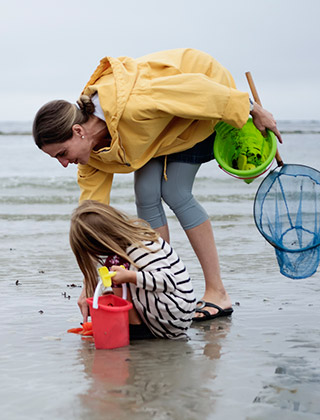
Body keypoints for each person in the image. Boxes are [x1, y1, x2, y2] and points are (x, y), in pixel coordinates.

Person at [33, 48, 282, 322]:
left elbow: (195, 89)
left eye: (61, 154)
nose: (64, 164)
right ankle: (161, 290)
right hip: (158, 130)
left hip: (203, 98)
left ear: (78, 131)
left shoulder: (133, 105)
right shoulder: (90, 156)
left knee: (174, 191)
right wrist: (89, 284)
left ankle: (217, 292)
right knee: (146, 193)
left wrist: (252, 108)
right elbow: (90, 215)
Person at [69, 200, 196, 340]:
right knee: (116, 274)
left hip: (174, 315)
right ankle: (132, 326)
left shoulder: (140, 246)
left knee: (122, 274)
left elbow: (168, 281)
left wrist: (130, 276)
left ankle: (136, 330)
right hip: (172, 314)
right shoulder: (126, 247)